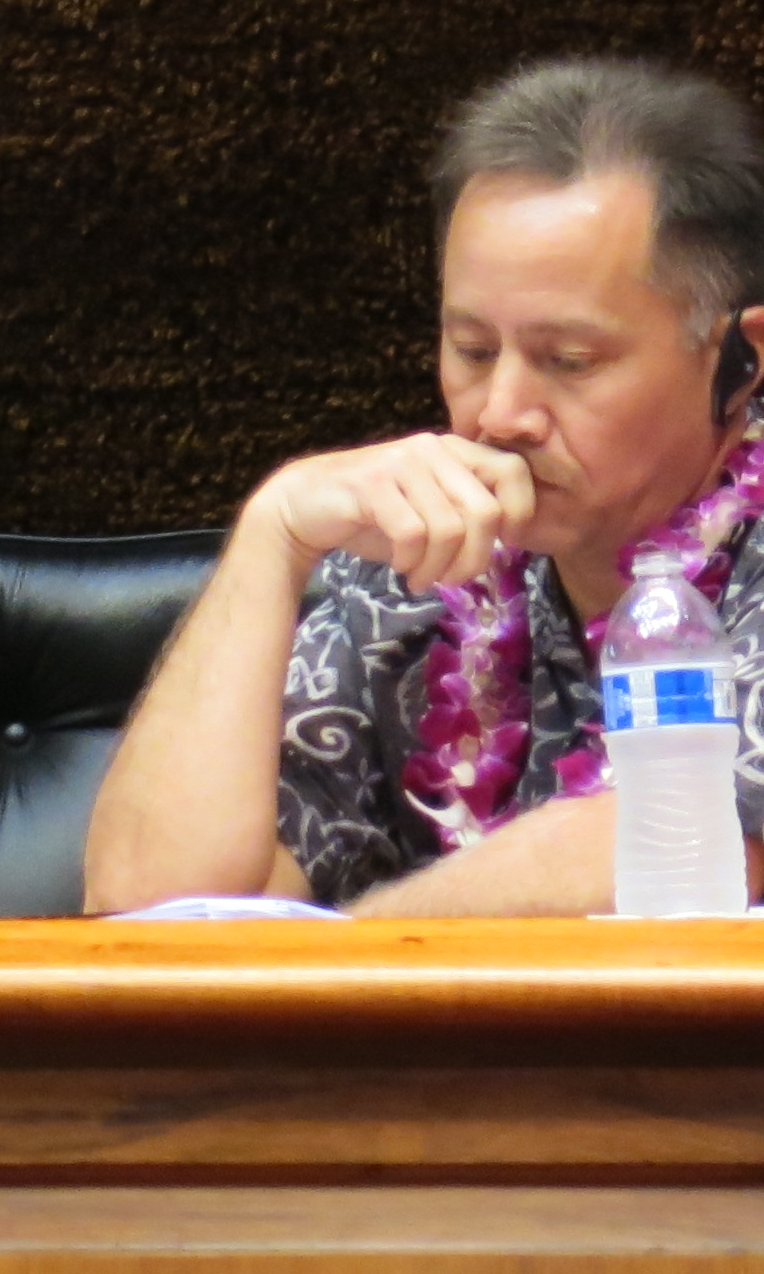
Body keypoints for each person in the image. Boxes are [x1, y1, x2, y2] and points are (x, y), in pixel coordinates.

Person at [85, 57, 764, 916]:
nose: (500, 413)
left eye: (570, 360)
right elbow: (148, 908)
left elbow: (664, 841)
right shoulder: (412, 569)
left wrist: (345, 958)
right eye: (473, 351)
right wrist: (273, 538)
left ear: (741, 361)